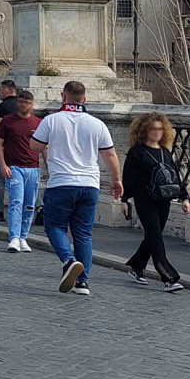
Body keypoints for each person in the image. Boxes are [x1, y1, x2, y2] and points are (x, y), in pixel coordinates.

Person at [31, 79, 122, 296]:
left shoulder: (52, 121)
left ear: (63, 96)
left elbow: (35, 146)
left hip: (61, 182)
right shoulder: (97, 124)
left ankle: (68, 260)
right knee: (83, 233)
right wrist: (116, 180)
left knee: (54, 227)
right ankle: (83, 282)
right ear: (84, 99)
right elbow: (109, 154)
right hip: (89, 184)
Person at [122, 114, 190, 289]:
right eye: (153, 129)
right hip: (144, 199)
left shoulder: (165, 152)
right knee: (155, 236)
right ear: (144, 130)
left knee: (154, 236)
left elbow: (175, 175)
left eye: (160, 129)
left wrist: (184, 197)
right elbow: (128, 177)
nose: (157, 133)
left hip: (164, 198)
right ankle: (169, 277)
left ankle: (137, 265)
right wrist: (124, 200)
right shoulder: (136, 152)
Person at [0, 88, 41, 251]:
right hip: (14, 167)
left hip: (33, 168)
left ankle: (23, 236)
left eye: (26, 102)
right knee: (16, 202)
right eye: (20, 101)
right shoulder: (7, 121)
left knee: (29, 204)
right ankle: (13, 237)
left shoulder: (37, 123)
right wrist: (3, 164)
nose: (23, 104)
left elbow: (44, 147)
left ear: (32, 104)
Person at [0, 77, 19, 222]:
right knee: (23, 181)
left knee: (0, 180)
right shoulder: (21, 104)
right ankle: (39, 207)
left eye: (1, 89)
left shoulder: (3, 106)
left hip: (4, 147)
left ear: (8, 90)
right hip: (19, 148)